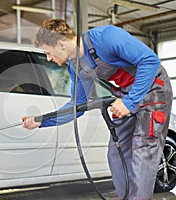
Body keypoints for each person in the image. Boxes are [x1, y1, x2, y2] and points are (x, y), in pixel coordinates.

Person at [21, 18, 173, 200]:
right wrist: (41, 120)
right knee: (116, 152)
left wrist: (129, 102)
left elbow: (150, 60)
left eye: (48, 52)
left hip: (154, 89)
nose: (49, 58)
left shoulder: (107, 37)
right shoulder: (75, 66)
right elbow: (77, 106)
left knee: (143, 148)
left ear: (61, 44)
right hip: (126, 95)